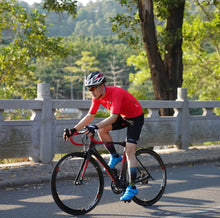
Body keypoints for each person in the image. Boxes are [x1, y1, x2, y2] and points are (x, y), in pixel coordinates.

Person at [63, 71, 144, 201]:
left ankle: (132, 187)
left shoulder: (115, 93)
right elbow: (90, 115)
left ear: (102, 86)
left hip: (135, 117)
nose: (91, 91)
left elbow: (113, 117)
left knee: (129, 151)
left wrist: (95, 126)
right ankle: (115, 156)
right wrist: (73, 130)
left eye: (93, 88)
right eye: (89, 89)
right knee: (102, 131)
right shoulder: (96, 97)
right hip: (123, 116)